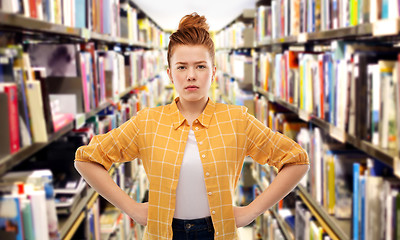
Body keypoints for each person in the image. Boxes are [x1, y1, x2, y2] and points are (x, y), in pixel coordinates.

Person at [74, 12, 309, 240]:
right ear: (169, 73)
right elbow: (86, 159)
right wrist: (132, 209)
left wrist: (251, 211)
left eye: (200, 66)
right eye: (182, 67)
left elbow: (297, 160)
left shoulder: (237, 120)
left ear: (214, 72)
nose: (191, 76)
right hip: (163, 234)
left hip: (218, 234)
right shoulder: (147, 121)